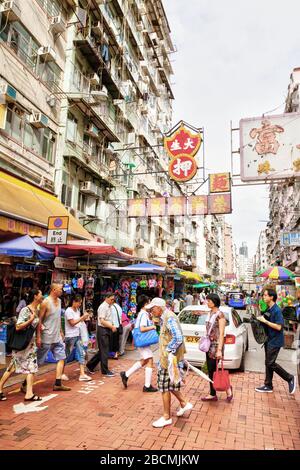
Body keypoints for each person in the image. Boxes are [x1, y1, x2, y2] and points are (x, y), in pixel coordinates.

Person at [147, 297, 193, 428]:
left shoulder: (169, 318)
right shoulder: (165, 317)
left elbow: (178, 338)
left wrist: (168, 351)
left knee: (164, 387)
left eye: (152, 309)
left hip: (168, 359)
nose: (151, 311)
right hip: (169, 358)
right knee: (170, 384)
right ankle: (184, 403)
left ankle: (166, 417)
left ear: (159, 308)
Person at [0, 289, 43, 401]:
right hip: (22, 344)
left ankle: (28, 393)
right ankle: (26, 393)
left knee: (30, 367)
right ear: (35, 296)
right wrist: (31, 319)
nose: (42, 296)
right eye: (40, 294)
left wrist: (39, 336)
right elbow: (18, 326)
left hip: (30, 344)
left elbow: (37, 325)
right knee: (14, 367)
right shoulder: (26, 310)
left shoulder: (36, 309)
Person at [255, 288, 296, 394]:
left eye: (265, 295)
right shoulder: (269, 309)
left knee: (270, 363)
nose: (263, 297)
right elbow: (265, 320)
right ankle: (268, 385)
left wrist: (265, 321)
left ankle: (290, 378)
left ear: (271, 297)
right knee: (268, 363)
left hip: (275, 341)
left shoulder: (277, 310)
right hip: (268, 340)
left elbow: (279, 327)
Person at [35, 283, 71, 392]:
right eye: (60, 289)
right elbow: (39, 320)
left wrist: (61, 331)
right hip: (46, 336)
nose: (62, 291)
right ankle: (25, 383)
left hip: (57, 336)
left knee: (61, 357)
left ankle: (58, 383)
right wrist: (38, 337)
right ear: (54, 290)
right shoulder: (45, 302)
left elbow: (58, 318)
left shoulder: (59, 301)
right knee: (38, 362)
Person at [120, 295, 158, 392]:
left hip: (142, 341)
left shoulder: (143, 313)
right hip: (143, 341)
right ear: (145, 304)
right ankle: (147, 386)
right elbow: (142, 328)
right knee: (149, 360)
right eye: (149, 302)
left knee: (145, 360)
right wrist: (153, 327)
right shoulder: (143, 314)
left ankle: (126, 374)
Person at [201, 293, 233, 402]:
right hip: (209, 345)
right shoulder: (210, 313)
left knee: (213, 370)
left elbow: (222, 333)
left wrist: (219, 350)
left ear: (214, 302)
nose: (207, 302)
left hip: (216, 346)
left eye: (209, 301)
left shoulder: (220, 315)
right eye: (207, 300)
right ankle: (212, 393)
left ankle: (227, 388)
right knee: (211, 370)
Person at [86, 294, 116, 377]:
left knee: (103, 350)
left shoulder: (109, 306)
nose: (113, 301)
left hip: (107, 329)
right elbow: (102, 321)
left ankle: (90, 365)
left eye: (113, 300)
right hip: (103, 330)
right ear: (106, 298)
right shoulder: (103, 307)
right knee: (104, 351)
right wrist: (111, 326)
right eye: (111, 299)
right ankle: (105, 370)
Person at [64, 294, 92, 382]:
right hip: (70, 336)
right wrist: (82, 318)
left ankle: (82, 374)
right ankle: (60, 373)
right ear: (74, 302)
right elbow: (72, 323)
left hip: (77, 335)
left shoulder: (77, 310)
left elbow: (78, 322)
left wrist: (84, 318)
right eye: (79, 303)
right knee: (66, 355)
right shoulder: (68, 311)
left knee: (81, 353)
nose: (80, 304)